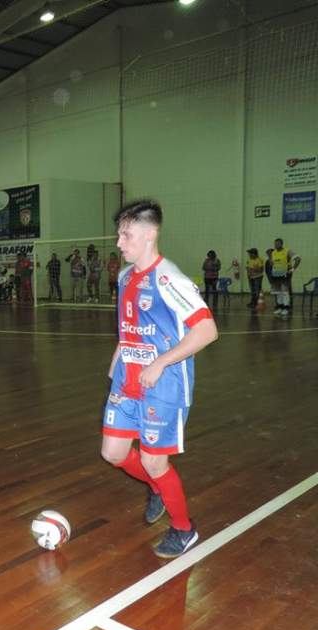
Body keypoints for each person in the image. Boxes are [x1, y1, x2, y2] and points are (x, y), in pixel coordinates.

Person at [100, 200, 218, 558]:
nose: (119, 242)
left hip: (163, 386)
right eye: (119, 234)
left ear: (150, 234)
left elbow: (207, 331)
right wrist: (117, 358)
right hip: (127, 381)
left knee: (154, 461)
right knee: (113, 452)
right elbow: (130, 327)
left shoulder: (170, 279)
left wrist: (161, 363)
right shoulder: (124, 276)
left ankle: (184, 530)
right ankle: (157, 487)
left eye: (126, 234)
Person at [268, 238, 300, 317]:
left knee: (285, 291)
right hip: (275, 274)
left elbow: (298, 259)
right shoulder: (273, 252)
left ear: (281, 244)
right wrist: (270, 262)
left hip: (285, 274)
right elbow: (272, 263)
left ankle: (286, 308)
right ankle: (280, 307)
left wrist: (292, 269)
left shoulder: (287, 251)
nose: (276, 245)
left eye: (277, 243)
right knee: (278, 292)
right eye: (275, 244)